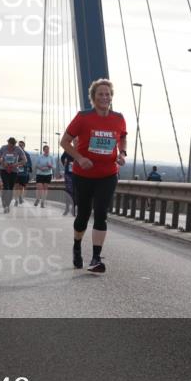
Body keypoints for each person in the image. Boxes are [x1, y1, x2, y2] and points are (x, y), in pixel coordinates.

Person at [60, 78, 127, 273]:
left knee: (101, 213)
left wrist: (122, 154)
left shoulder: (118, 118)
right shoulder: (83, 117)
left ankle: (96, 258)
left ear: (111, 97)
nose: (104, 97)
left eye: (108, 94)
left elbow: (122, 137)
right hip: (84, 175)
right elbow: (64, 142)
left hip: (108, 174)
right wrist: (80, 158)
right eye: (100, 94)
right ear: (93, 97)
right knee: (83, 215)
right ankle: (77, 246)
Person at [0, 137, 27, 214]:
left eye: (12, 146)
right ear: (8, 143)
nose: (11, 148)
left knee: (10, 188)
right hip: (4, 170)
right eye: (10, 146)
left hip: (14, 171)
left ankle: (7, 205)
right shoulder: (3, 148)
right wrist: (3, 162)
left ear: (14, 145)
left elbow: (25, 160)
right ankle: (4, 202)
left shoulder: (18, 149)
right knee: (6, 186)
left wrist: (16, 164)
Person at [15, 140, 32, 205]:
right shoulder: (15, 154)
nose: (20, 147)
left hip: (23, 173)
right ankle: (16, 200)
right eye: (19, 145)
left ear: (24, 146)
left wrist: (23, 165)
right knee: (16, 186)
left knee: (21, 187)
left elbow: (30, 164)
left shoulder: (27, 154)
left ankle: (20, 197)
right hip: (16, 173)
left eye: (21, 145)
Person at [60, 151, 76, 216]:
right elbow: (62, 157)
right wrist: (65, 164)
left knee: (75, 191)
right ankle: (67, 208)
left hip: (78, 173)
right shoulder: (68, 149)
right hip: (68, 173)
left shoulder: (80, 148)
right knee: (68, 191)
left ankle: (73, 209)